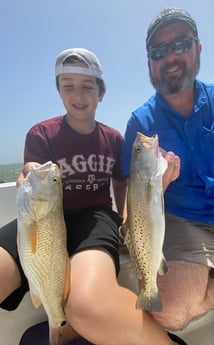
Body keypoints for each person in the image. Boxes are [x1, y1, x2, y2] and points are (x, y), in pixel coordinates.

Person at [0, 47, 187, 345]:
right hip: (43, 219)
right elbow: (30, 174)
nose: (78, 94)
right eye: (68, 86)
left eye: (87, 86)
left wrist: (128, 228)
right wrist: (27, 175)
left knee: (87, 304)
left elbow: (122, 187)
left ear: (101, 92)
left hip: (96, 219)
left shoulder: (114, 139)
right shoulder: (40, 134)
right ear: (58, 91)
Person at [121, 7, 214, 331]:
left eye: (180, 44)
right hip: (185, 224)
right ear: (150, 63)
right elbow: (131, 195)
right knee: (171, 312)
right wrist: (158, 185)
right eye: (159, 51)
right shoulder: (140, 122)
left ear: (198, 48)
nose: (170, 56)